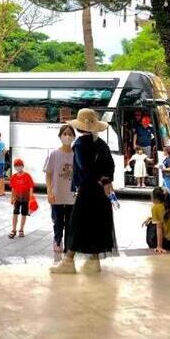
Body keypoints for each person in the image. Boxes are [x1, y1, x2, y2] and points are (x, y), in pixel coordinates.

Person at [51, 109, 117, 274]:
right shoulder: (101, 143)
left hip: (87, 191)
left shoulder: (80, 144)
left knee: (76, 225)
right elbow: (111, 166)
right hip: (101, 194)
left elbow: (85, 169)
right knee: (95, 225)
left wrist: (94, 180)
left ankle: (68, 261)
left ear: (80, 127)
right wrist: (105, 180)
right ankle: (94, 261)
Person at [44, 124, 76, 253]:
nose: (67, 136)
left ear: (74, 137)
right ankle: (57, 241)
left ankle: (68, 244)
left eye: (70, 134)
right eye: (65, 134)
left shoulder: (76, 155)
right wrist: (49, 191)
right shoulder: (54, 154)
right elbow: (48, 174)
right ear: (60, 136)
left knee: (70, 222)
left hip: (71, 195)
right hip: (57, 193)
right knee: (58, 221)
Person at [8, 159, 34, 238]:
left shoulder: (27, 176)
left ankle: (21, 230)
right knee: (15, 213)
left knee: (24, 213)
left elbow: (31, 187)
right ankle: (13, 229)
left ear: (22, 166)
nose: (18, 167)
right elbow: (13, 188)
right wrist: (12, 198)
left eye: (19, 166)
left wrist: (31, 198)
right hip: (17, 198)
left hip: (26, 199)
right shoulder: (14, 177)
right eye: (16, 166)